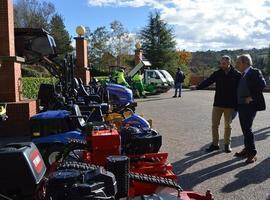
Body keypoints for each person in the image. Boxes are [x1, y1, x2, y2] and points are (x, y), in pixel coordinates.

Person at [194, 55, 241, 153]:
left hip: (230, 105)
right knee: (214, 125)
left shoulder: (236, 74)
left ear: (229, 63)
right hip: (218, 104)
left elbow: (240, 90)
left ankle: (227, 145)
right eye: (221, 63)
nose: (222, 65)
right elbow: (208, 81)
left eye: (224, 63)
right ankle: (215, 144)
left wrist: (238, 105)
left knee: (228, 126)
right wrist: (198, 87)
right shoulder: (217, 73)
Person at [234, 54, 266, 164]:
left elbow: (262, 84)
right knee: (245, 128)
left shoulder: (255, 72)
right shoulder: (242, 74)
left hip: (250, 105)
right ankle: (247, 149)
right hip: (242, 105)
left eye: (238, 62)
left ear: (245, 63)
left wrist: (251, 97)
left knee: (247, 129)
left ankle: (252, 153)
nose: (236, 65)